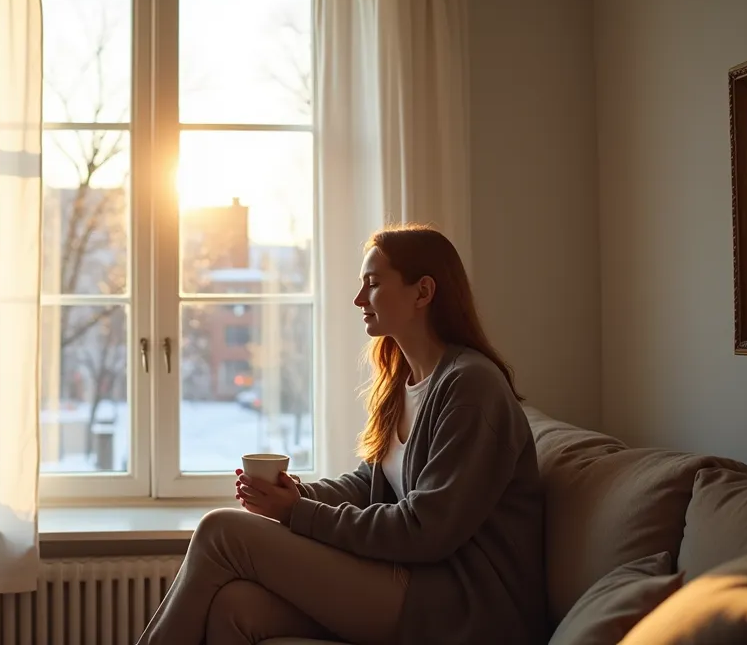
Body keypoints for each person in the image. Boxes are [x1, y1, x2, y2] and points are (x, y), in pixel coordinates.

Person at [135, 224, 547, 645]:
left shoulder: (471, 386)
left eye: (373, 284)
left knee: (221, 531)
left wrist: (297, 512)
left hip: (461, 606)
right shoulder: (402, 381)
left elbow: (425, 530)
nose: (359, 299)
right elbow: (369, 484)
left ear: (423, 292)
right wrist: (295, 494)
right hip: (412, 582)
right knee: (235, 607)